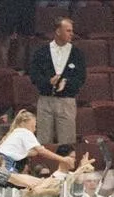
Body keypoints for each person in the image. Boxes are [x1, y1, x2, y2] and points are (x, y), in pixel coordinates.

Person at [28, 17, 86, 145]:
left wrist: (66, 82)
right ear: (58, 31)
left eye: (72, 31)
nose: (72, 34)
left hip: (67, 101)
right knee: (44, 140)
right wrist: (48, 82)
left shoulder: (77, 54)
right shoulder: (41, 52)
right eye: (68, 31)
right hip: (45, 100)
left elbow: (81, 77)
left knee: (67, 142)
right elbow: (34, 75)